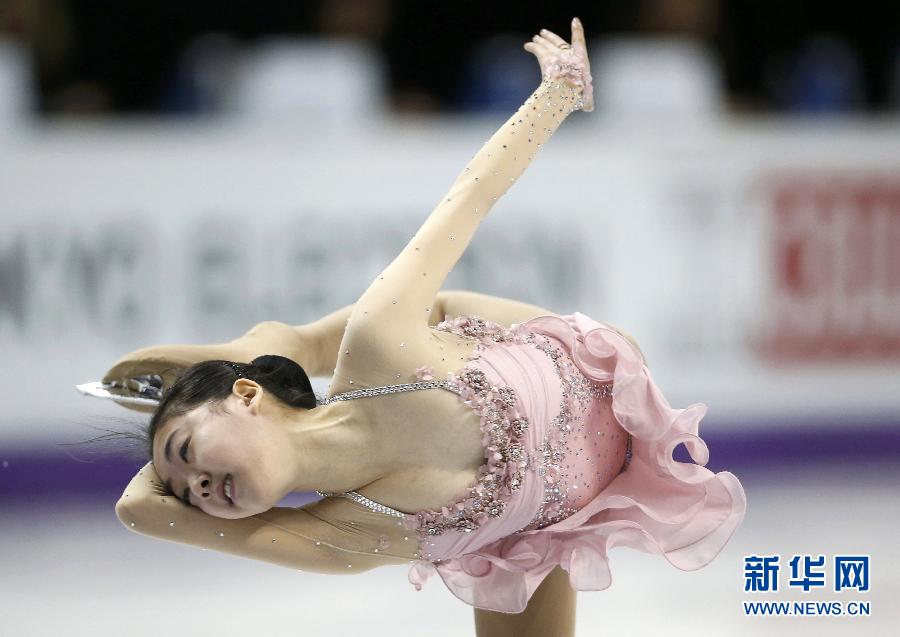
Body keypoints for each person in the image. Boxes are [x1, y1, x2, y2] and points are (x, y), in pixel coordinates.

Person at [96, 18, 746, 636]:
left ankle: (284, 343)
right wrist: (180, 447)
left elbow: (472, 194)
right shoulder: (342, 535)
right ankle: (280, 344)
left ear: (246, 395)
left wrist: (558, 93)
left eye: (185, 455)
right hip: (533, 530)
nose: (196, 487)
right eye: (189, 492)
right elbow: (136, 507)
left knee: (409, 321)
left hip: (575, 365)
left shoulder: (378, 345)